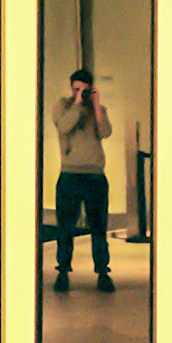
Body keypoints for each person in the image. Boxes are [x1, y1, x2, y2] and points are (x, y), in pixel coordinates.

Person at [51, 68, 115, 293]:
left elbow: (106, 132)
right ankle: (62, 272)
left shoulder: (97, 109)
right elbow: (64, 127)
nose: (80, 93)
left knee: (99, 227)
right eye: (76, 89)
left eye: (84, 90)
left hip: (95, 176)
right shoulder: (62, 106)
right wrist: (77, 103)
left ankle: (103, 272)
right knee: (65, 228)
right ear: (71, 88)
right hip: (70, 174)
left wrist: (96, 105)